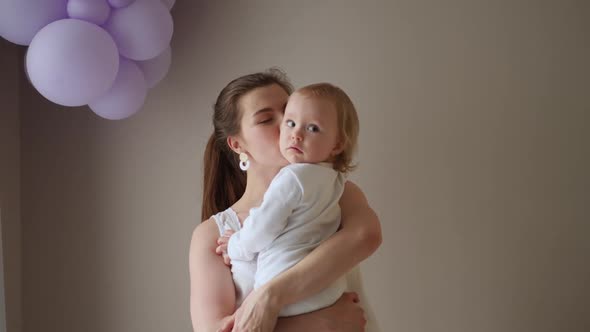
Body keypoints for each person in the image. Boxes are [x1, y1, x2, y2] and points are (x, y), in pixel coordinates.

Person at [189, 69, 382, 332]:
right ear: (237, 145)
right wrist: (319, 322)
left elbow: (366, 236)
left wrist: (270, 297)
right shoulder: (214, 234)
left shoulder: (339, 193)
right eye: (267, 119)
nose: (289, 126)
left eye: (290, 112)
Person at [224, 82, 360, 317]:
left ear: (337, 144)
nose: (293, 133)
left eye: (313, 128)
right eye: (290, 121)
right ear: (237, 144)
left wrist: (234, 246)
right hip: (327, 295)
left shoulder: (295, 179)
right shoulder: (334, 180)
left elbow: (261, 229)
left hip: (288, 297)